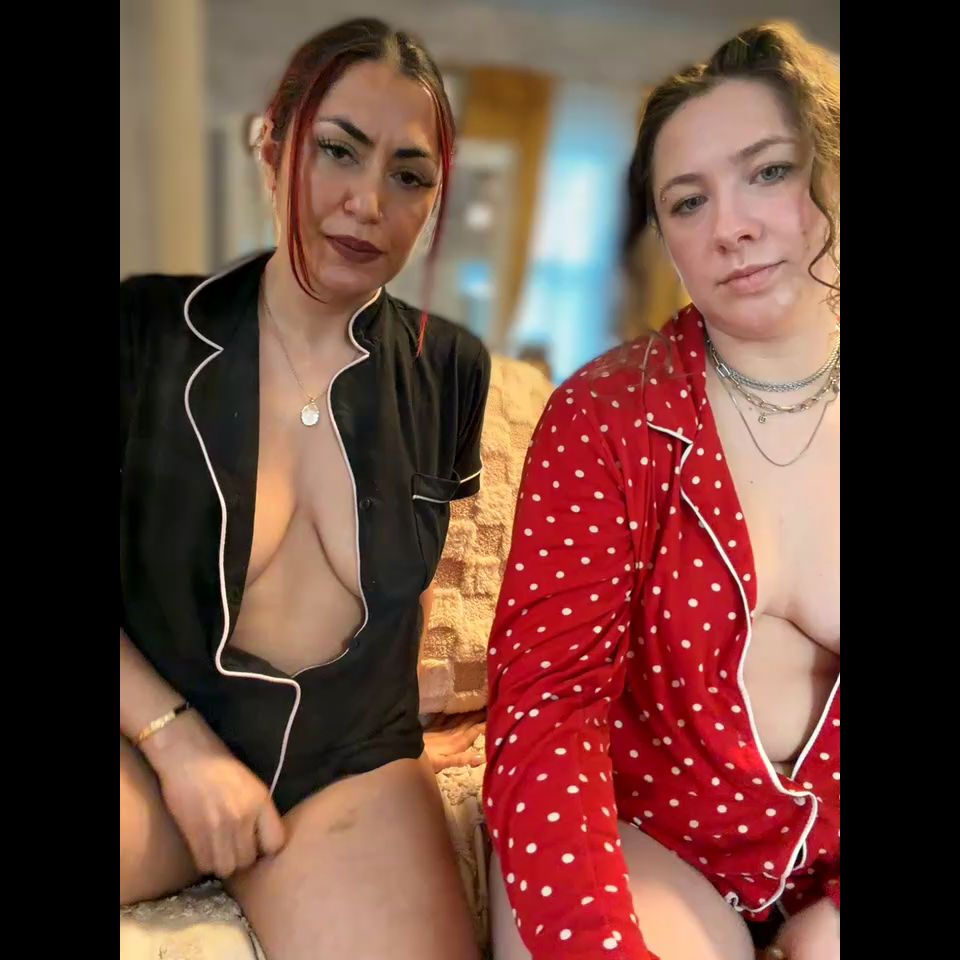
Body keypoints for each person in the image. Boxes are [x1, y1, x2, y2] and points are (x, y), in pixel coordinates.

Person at [120, 18, 490, 960]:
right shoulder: (143, 330)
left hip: (347, 764)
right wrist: (175, 742)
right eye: (337, 150)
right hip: (150, 740)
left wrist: (427, 719)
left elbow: (409, 590)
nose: (367, 202)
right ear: (271, 147)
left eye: (409, 175)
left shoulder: (450, 367)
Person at [484, 21, 839, 960]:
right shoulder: (603, 415)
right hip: (645, 840)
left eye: (768, 172)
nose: (731, 226)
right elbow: (546, 711)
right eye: (688, 201)